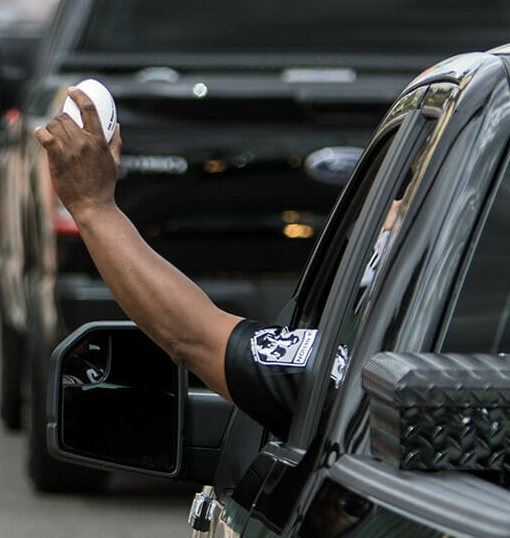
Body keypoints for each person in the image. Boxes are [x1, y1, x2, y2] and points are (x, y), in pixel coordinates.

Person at [36, 91, 331, 422]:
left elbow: (195, 340)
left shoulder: (343, 381)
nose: (390, 212)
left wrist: (93, 206)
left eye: (399, 202)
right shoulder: (367, 373)